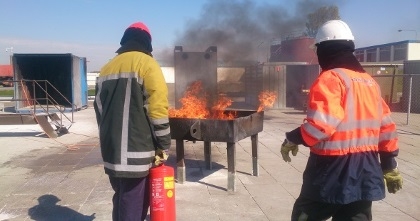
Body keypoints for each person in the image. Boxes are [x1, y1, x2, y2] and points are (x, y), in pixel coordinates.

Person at [280, 20, 403, 221]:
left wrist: (292, 138)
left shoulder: (330, 78)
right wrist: (389, 164)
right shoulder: (369, 83)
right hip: (366, 170)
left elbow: (321, 125)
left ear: (325, 49)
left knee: (303, 216)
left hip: (332, 171)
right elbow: (387, 127)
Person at [94, 22, 171, 221]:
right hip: (137, 152)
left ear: (125, 40)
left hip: (111, 150)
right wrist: (164, 145)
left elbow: (99, 110)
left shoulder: (106, 68)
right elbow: (157, 110)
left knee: (120, 196)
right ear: (147, 43)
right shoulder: (147, 64)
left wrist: (109, 139)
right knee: (134, 203)